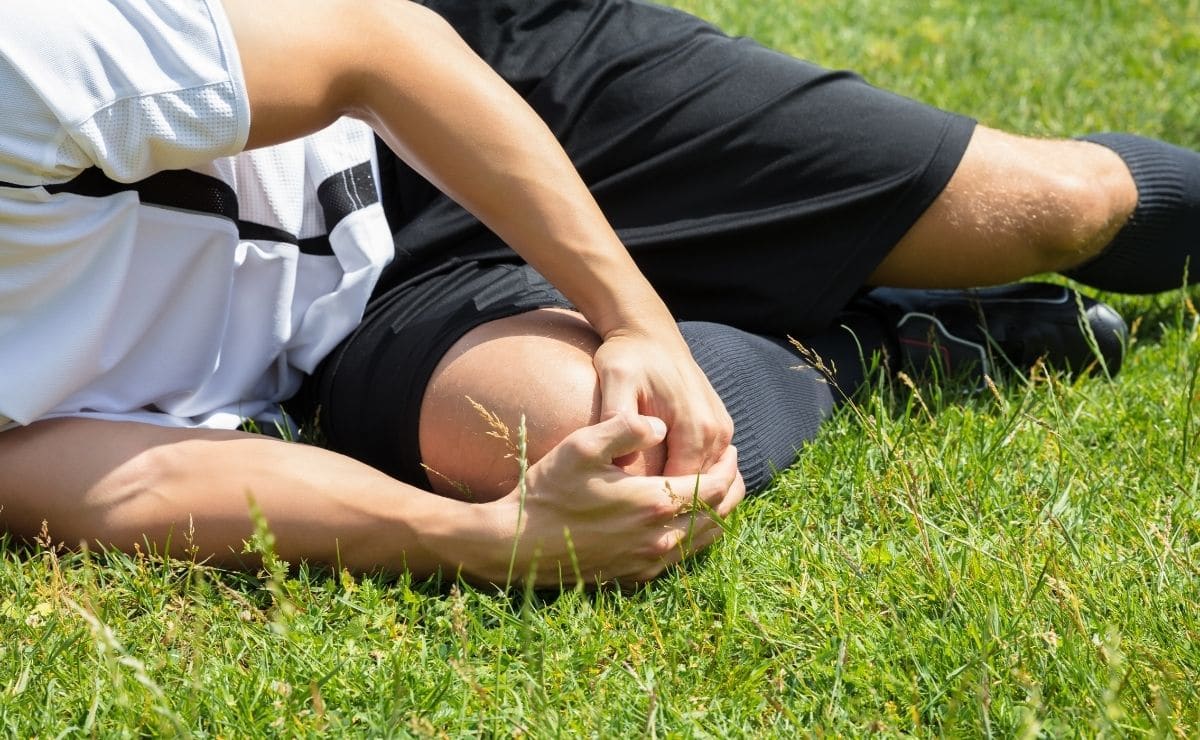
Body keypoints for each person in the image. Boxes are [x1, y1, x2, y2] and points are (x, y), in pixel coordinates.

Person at [0, 0, 1186, 586]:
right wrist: (480, 536)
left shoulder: (17, 69)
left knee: (1055, 205)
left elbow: (383, 47)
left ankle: (775, 269)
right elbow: (124, 478)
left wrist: (633, 313)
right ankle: (873, 341)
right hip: (339, 331)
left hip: (461, 95)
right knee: (603, 448)